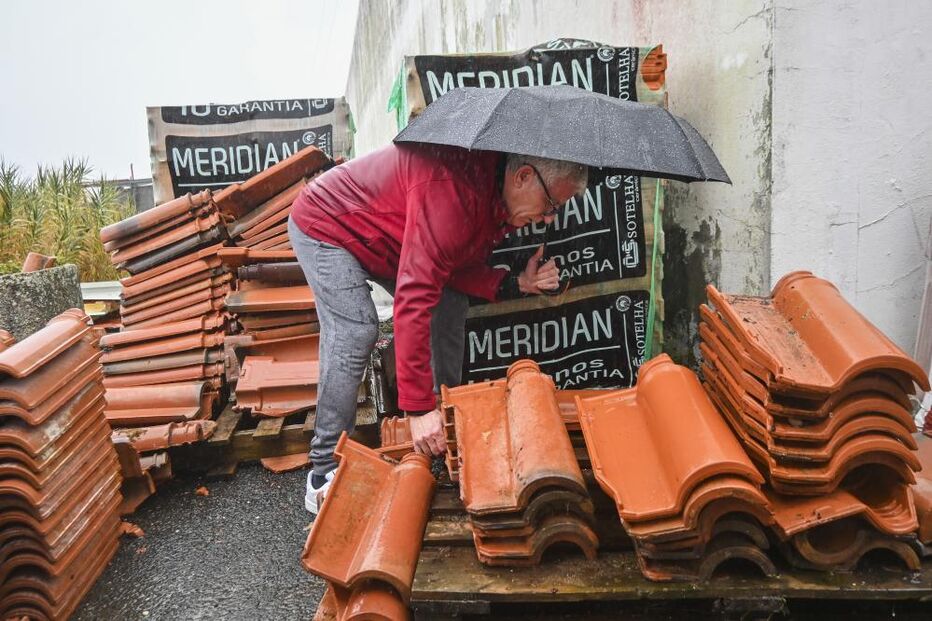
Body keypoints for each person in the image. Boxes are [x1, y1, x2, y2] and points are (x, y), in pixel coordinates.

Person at [287, 142, 588, 513]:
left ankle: (443, 421)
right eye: (551, 206)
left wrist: (515, 283)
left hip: (386, 238)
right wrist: (415, 409)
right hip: (327, 224)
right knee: (356, 329)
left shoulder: (492, 195)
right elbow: (412, 297)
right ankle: (324, 469)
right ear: (524, 177)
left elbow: (454, 270)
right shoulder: (453, 190)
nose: (548, 219)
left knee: (449, 300)